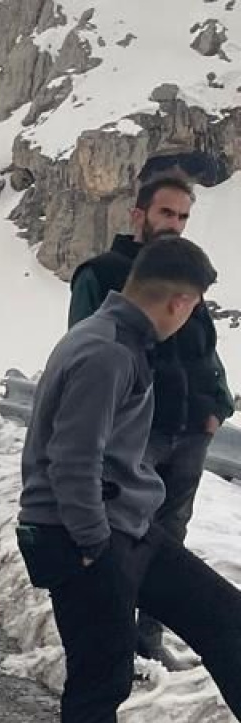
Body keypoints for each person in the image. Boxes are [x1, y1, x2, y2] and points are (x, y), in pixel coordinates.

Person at [17, 236, 241, 723]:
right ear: (177, 301)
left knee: (225, 618)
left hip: (128, 526)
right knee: (102, 675)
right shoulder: (106, 353)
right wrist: (94, 548)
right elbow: (72, 461)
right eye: (194, 306)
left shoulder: (123, 342)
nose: (192, 317)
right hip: (83, 536)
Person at [66, 173, 233, 672]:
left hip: (189, 434)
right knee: (125, 538)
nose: (175, 225)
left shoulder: (185, 274)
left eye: (183, 217)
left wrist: (217, 407)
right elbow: (85, 352)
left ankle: (148, 640)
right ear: (137, 214)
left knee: (170, 535)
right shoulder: (102, 273)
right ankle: (113, 642)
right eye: (166, 213)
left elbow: (205, 351)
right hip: (135, 438)